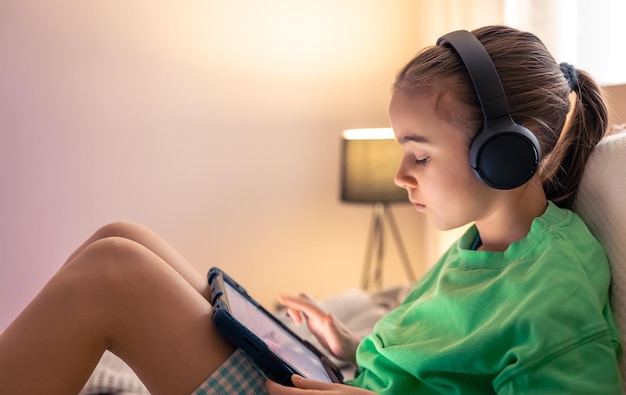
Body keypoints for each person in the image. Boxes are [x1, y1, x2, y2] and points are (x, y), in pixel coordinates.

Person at [0, 24, 621, 394]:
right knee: (123, 234)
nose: (402, 175)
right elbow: (437, 363)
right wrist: (350, 346)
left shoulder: (555, 290)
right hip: (335, 379)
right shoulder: (479, 245)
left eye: (420, 156)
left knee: (114, 276)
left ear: (506, 157)